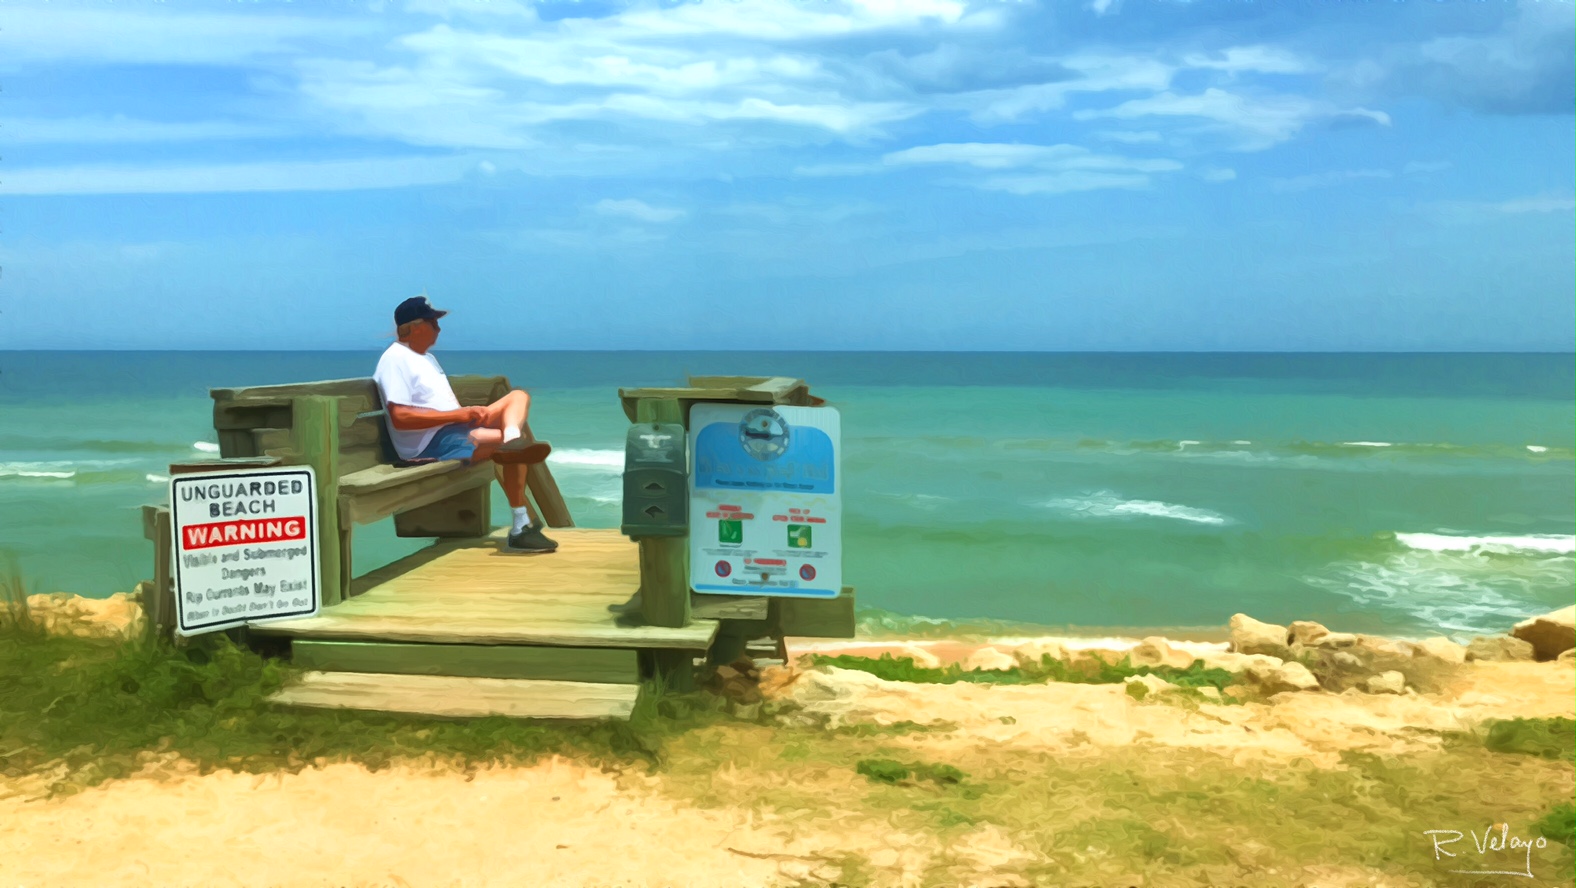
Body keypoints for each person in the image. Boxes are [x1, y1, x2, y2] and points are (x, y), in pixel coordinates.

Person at [372, 294, 558, 553]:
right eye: (432, 323)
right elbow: (400, 418)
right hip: (428, 444)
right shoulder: (395, 360)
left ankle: (512, 439)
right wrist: (459, 416)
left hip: (454, 430)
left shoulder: (426, 358)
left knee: (518, 397)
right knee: (503, 444)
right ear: (413, 327)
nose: (438, 328)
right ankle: (520, 525)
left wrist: (468, 414)